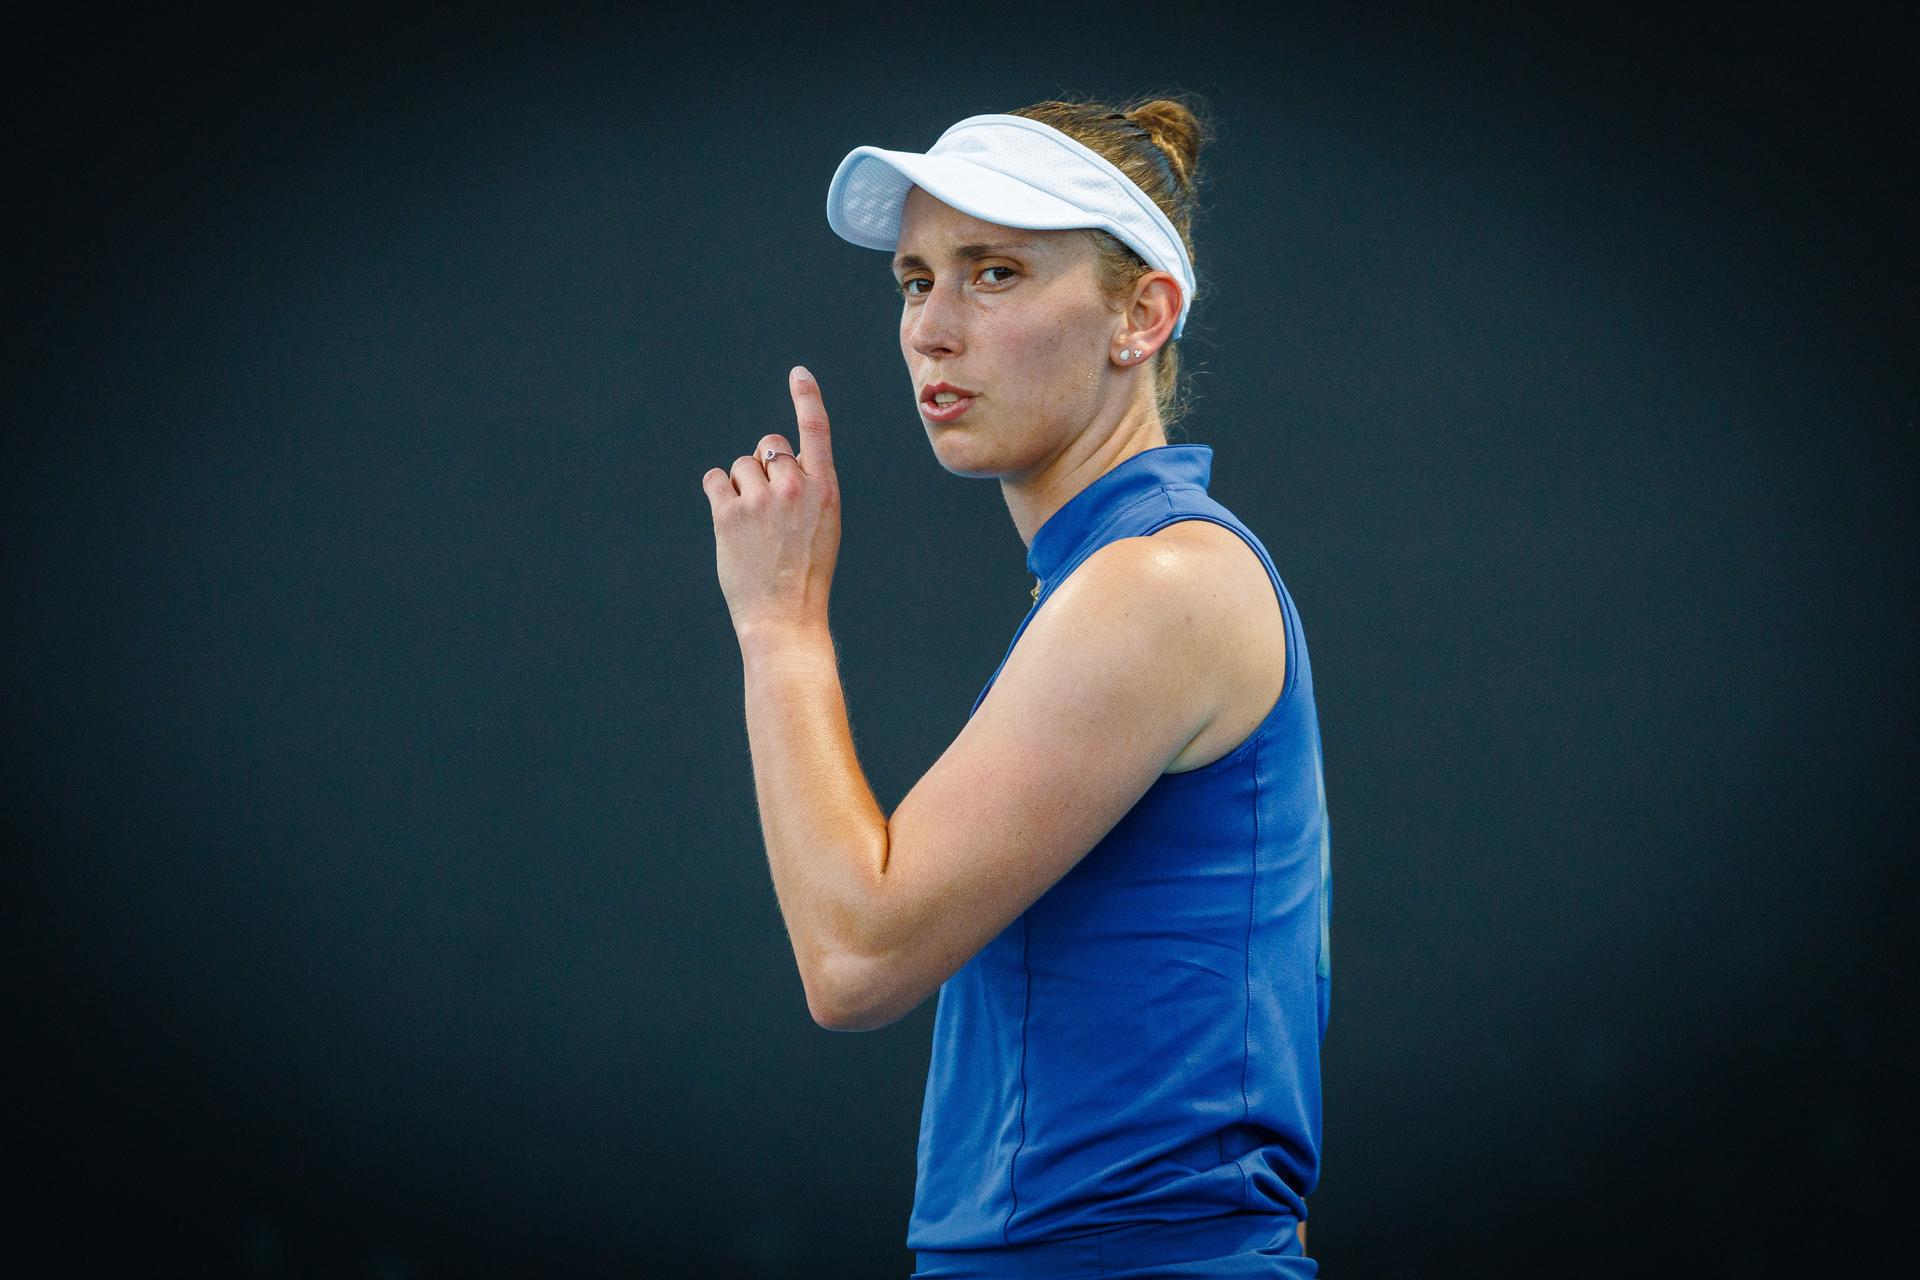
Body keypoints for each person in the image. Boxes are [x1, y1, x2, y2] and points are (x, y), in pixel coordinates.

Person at [700, 96, 1332, 1278]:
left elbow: (856, 959)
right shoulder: (1113, 577)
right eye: (913, 280)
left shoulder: (1152, 586)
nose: (932, 329)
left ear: (1140, 316)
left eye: (992, 274)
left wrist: (780, 624)